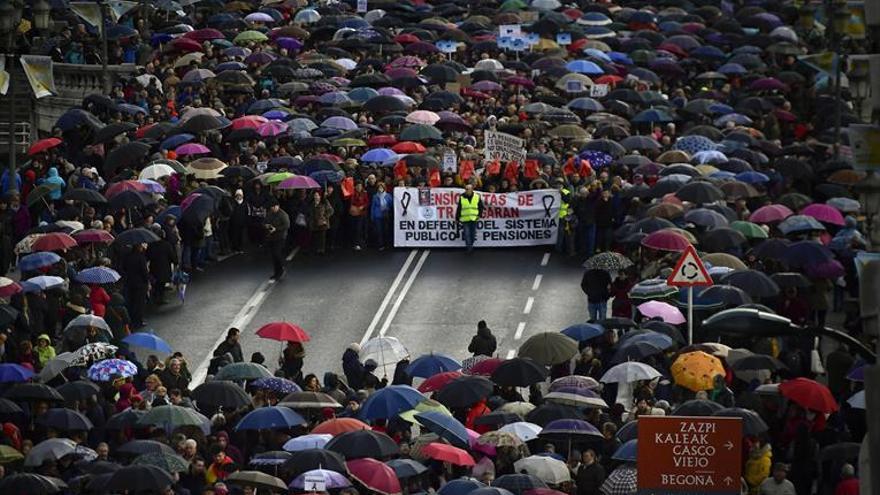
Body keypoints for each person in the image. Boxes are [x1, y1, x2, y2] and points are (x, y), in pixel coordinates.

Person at [122, 242, 150, 328]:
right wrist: (147, 281)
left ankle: (132, 320)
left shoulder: (128, 257)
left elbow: (124, 268)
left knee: (132, 301)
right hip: (140, 283)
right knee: (140, 303)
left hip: (130, 282)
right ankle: (138, 320)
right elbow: (144, 272)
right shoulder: (141, 258)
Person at [263, 197, 289, 280]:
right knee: (273, 256)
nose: (273, 209)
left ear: (277, 206)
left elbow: (286, 225)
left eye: (274, 207)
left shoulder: (283, 214)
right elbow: (265, 221)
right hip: (271, 237)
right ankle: (276, 272)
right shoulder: (270, 213)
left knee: (277, 253)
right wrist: (266, 225)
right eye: (271, 207)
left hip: (280, 236)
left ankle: (281, 268)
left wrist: (276, 229)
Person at [455, 184, 483, 252]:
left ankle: (471, 244)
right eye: (466, 189)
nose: (467, 190)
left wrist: (479, 215)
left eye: (468, 189)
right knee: (467, 234)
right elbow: (459, 208)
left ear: (472, 189)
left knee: (473, 234)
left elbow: (480, 207)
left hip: (474, 218)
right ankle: (469, 247)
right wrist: (457, 218)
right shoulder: (462, 197)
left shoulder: (477, 196)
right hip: (465, 219)